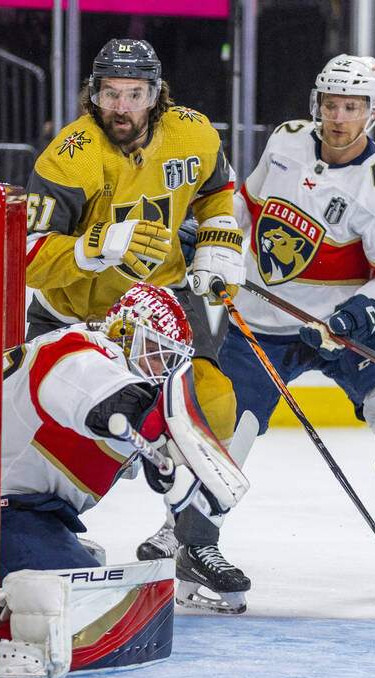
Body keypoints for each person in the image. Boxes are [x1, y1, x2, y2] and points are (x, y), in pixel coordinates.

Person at [0, 282, 245, 678]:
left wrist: (169, 464)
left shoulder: (108, 366)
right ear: (126, 330)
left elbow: (127, 429)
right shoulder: (80, 352)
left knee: (89, 570)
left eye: (169, 359)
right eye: (155, 350)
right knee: (75, 595)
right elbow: (118, 407)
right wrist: (169, 447)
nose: (161, 368)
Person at [212, 54, 375, 603]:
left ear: (373, 111)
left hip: (347, 327)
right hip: (266, 320)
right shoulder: (287, 140)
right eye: (331, 103)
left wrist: (351, 318)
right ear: (315, 104)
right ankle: (189, 534)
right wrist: (215, 239)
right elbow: (245, 205)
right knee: (226, 430)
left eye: (352, 106)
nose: (338, 117)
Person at [23, 38, 247, 612]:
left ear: (157, 96)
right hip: (77, 320)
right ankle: (30, 532)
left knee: (214, 406)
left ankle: (193, 542)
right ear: (93, 94)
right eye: (110, 93)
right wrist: (91, 249)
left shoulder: (194, 133)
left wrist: (218, 245)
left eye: (135, 95)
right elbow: (26, 253)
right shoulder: (69, 155)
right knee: (60, 452)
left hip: (160, 309)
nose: (121, 107)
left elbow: (217, 193)